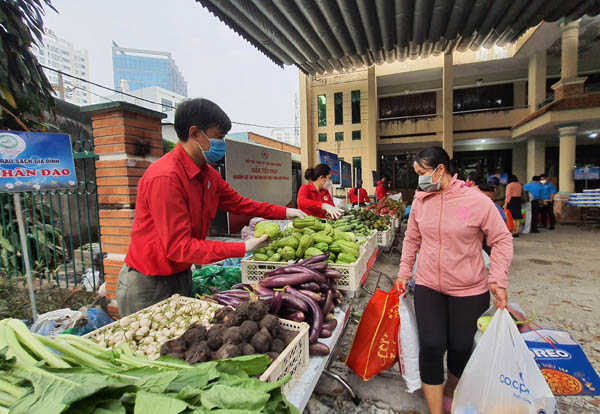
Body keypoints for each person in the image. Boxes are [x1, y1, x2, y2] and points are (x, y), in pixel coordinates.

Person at [116, 98, 306, 317]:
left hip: (181, 274)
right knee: (150, 347)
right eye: (219, 137)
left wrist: (286, 212)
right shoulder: (166, 178)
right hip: (149, 282)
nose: (222, 144)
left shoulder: (208, 174)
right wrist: (243, 247)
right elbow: (180, 247)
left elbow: (240, 204)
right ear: (195, 133)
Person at [395, 146, 512, 414]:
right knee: (432, 345)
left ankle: (451, 389)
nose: (419, 180)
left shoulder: (476, 201)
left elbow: (501, 239)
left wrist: (499, 278)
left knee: (460, 347)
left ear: (440, 170)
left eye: (422, 173)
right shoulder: (421, 201)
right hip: (427, 285)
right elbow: (412, 239)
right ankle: (437, 410)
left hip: (469, 289)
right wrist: (404, 272)